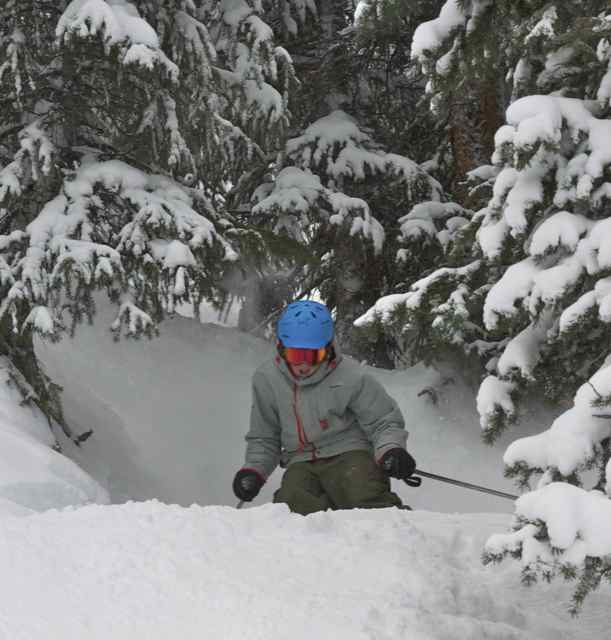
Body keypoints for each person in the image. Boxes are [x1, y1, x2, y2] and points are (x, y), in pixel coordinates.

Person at [232, 300, 417, 515]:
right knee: (292, 504)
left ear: (327, 349)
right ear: (281, 349)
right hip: (301, 460)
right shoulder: (267, 379)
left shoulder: (351, 376)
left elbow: (383, 420)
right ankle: (308, 547)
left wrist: (390, 449)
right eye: (295, 355)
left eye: (313, 356)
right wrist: (254, 470)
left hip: (350, 451)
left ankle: (391, 529)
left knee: (360, 489)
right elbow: (265, 435)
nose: (303, 365)